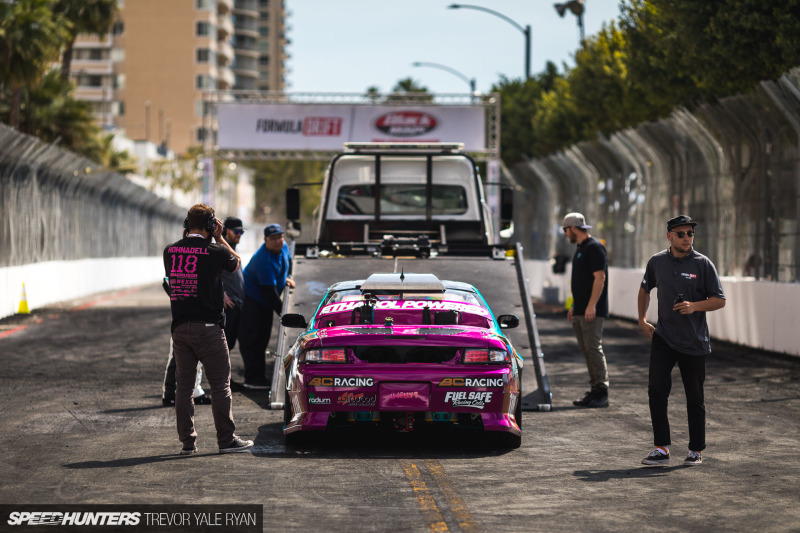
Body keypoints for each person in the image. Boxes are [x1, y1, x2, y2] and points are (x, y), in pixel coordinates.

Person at [163, 203, 253, 455]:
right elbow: (236, 263)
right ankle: (226, 440)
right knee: (220, 385)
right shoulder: (216, 251)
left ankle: (187, 443)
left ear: (186, 224)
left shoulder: (169, 251)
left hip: (180, 328)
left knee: (184, 387)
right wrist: (220, 238)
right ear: (212, 225)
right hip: (209, 329)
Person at [638, 215, 726, 467]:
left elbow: (719, 300)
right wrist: (642, 320)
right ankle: (661, 448)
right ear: (669, 236)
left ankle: (695, 450)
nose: (687, 238)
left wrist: (694, 306)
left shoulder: (703, 264)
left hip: (694, 342)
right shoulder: (656, 262)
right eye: (681, 234)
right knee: (656, 391)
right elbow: (645, 289)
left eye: (690, 233)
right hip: (663, 337)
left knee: (695, 397)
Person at [237, 223, 295, 390]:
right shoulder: (263, 260)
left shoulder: (283, 247)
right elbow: (270, 293)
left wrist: (288, 276)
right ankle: (253, 378)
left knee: (263, 339)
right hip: (251, 301)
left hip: (264, 302)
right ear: (265, 240)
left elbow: (289, 261)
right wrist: (286, 315)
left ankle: (260, 376)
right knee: (252, 340)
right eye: (272, 239)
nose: (277, 241)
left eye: (279, 237)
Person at [562, 212, 610, 409]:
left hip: (592, 310)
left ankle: (602, 392)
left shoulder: (594, 247)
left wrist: (592, 305)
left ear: (573, 228)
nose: (565, 234)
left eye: (565, 230)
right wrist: (574, 305)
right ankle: (594, 390)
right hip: (581, 309)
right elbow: (581, 281)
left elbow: (600, 278)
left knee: (593, 348)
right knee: (586, 350)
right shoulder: (581, 248)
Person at [221, 217, 245, 351]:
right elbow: (210, 274)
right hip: (228, 306)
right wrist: (222, 294)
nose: (239, 235)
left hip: (237, 304)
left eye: (241, 232)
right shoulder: (221, 249)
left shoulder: (234, 249)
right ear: (226, 231)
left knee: (229, 345)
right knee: (222, 347)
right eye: (236, 231)